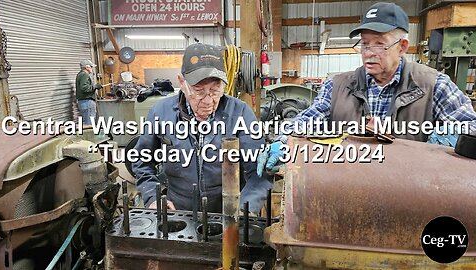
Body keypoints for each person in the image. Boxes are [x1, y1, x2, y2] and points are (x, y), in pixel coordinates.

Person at [257, 2, 476, 176]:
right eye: (364, 43)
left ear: (402, 47)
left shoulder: (434, 85)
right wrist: (281, 140)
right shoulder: (338, 86)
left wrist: (448, 137)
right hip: (350, 191)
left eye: (379, 44)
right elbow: (308, 120)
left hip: (410, 195)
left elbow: (471, 128)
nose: (369, 52)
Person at [132, 43, 272, 214]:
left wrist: (244, 209)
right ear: (182, 83)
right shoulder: (160, 112)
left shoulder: (241, 113)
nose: (208, 101)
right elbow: (141, 160)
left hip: (229, 211)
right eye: (199, 91)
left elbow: (259, 172)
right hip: (178, 212)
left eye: (215, 90)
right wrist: (152, 197)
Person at [76, 59, 101, 125]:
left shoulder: (80, 74)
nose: (92, 68)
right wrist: (95, 86)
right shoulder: (84, 75)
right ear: (87, 67)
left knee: (86, 124)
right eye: (91, 67)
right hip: (87, 102)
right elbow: (84, 88)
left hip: (83, 102)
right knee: (89, 124)